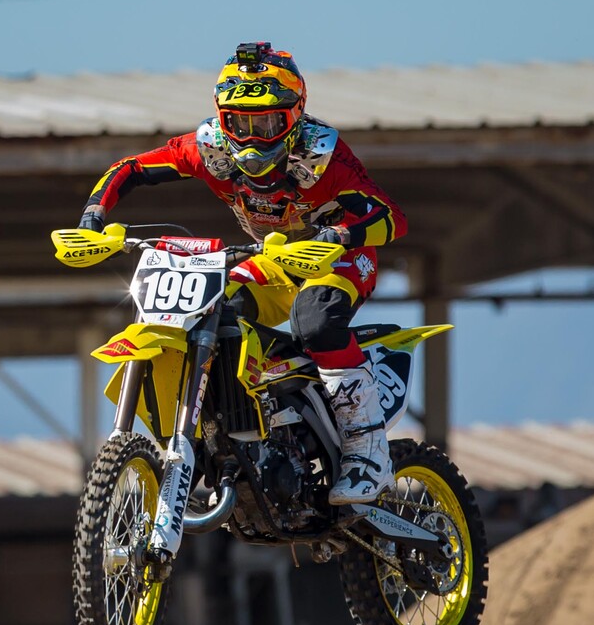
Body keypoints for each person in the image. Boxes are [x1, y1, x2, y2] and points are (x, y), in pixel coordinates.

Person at [78, 42, 408, 502]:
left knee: (315, 320)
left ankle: (365, 447)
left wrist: (341, 236)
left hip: (337, 259)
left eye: (267, 122)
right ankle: (216, 437)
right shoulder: (208, 148)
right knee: (211, 308)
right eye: (240, 122)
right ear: (222, 117)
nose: (253, 138)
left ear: (294, 115)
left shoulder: (325, 155)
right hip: (271, 258)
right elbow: (132, 167)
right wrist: (95, 210)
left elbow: (390, 217)